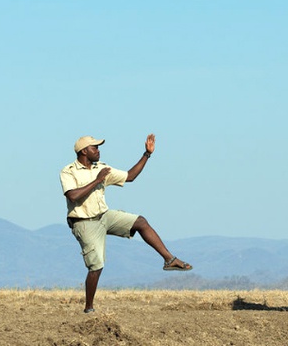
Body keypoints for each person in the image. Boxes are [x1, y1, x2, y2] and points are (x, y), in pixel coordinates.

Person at [60, 133, 192, 313]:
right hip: (84, 222)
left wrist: (147, 154)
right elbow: (73, 196)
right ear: (84, 151)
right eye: (95, 147)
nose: (98, 151)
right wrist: (98, 180)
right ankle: (88, 308)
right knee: (96, 266)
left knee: (140, 222)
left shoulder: (102, 167)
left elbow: (130, 176)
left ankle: (169, 260)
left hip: (104, 216)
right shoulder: (68, 171)